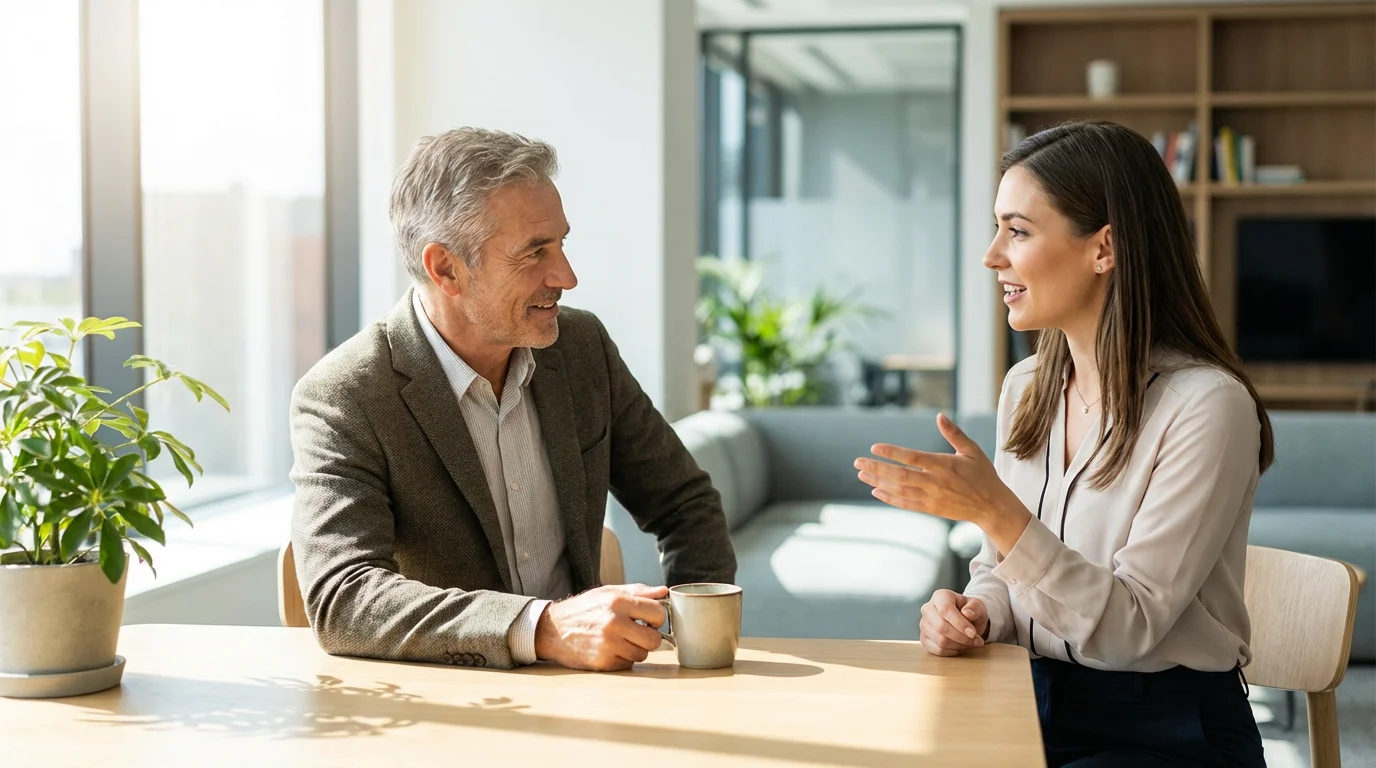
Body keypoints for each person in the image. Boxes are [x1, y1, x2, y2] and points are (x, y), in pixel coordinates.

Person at [854, 121, 1271, 767]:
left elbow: (1128, 630)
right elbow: (1004, 572)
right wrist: (977, 613)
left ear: (1104, 248)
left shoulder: (1207, 406)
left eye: (1017, 231)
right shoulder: (1027, 388)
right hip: (1030, 697)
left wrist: (995, 511)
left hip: (1168, 730)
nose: (993, 255)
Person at [289, 127, 736, 672]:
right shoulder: (346, 395)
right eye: (534, 253)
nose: (566, 276)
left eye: (562, 243)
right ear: (445, 268)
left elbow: (684, 502)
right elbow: (344, 598)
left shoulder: (581, 350)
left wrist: (690, 638)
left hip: (594, 697)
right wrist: (543, 629)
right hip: (452, 710)